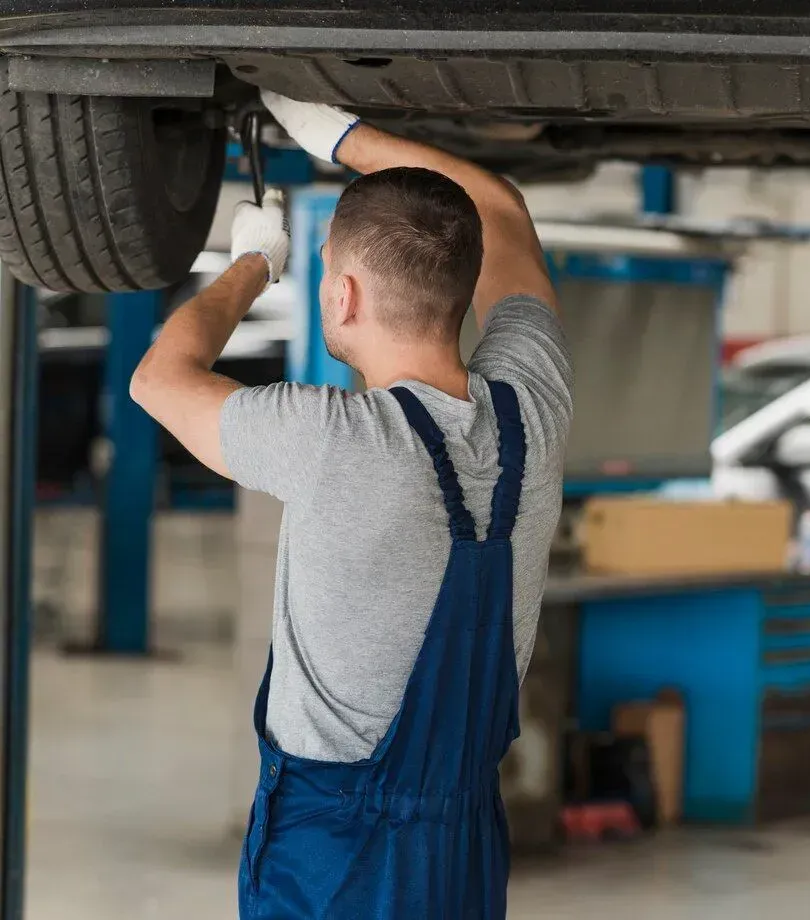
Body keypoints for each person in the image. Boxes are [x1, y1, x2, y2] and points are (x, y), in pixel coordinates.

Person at [130, 89, 573, 919]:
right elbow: (501, 211)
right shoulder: (532, 409)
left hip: (333, 857)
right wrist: (346, 136)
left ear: (344, 299)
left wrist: (254, 263)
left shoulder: (337, 443)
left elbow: (157, 380)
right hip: (466, 848)